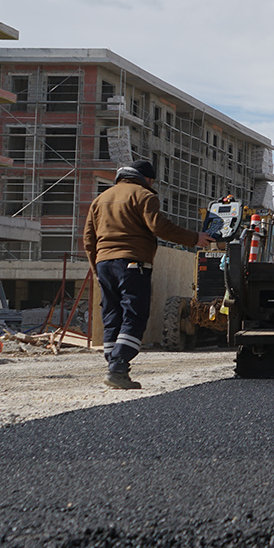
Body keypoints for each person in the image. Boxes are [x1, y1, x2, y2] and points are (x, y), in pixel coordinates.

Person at [82, 159, 212, 389]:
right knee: (134, 313)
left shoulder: (99, 199)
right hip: (132, 263)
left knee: (113, 314)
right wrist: (194, 238)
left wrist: (97, 268)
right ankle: (119, 367)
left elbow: (88, 239)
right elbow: (159, 226)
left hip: (104, 263)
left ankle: (114, 365)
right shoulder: (144, 196)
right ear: (147, 179)